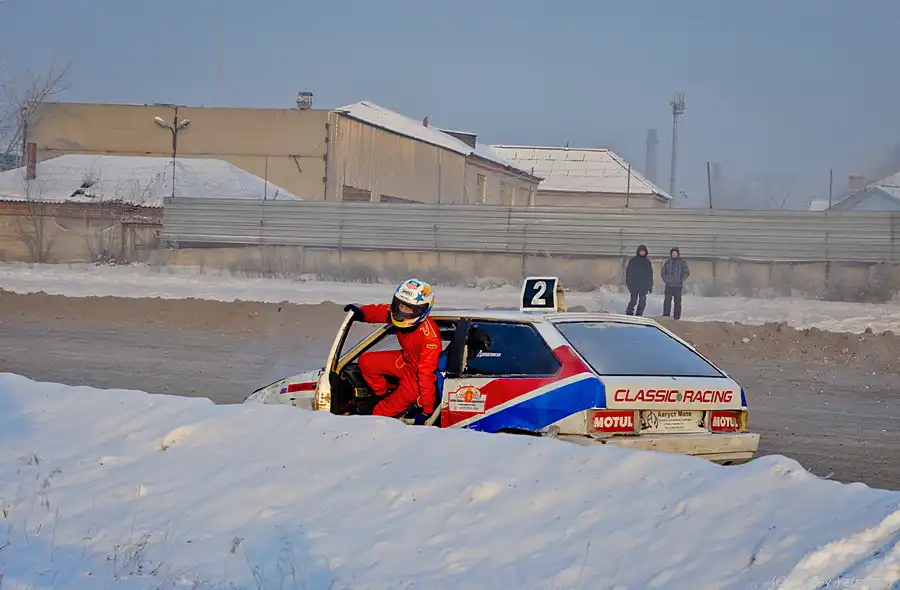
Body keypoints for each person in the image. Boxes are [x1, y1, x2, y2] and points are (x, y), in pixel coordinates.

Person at [343, 278, 441, 421]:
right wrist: (361, 313)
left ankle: (390, 411)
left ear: (420, 310)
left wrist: (427, 410)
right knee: (366, 362)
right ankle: (381, 395)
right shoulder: (397, 314)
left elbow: (426, 376)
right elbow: (380, 311)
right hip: (405, 360)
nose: (402, 311)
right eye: (401, 305)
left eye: (408, 308)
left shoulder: (430, 339)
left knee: (379, 412)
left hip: (416, 377)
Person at [660, 247, 690, 320]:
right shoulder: (667, 262)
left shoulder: (682, 262)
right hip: (669, 286)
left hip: (678, 286)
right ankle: (666, 316)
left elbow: (687, 272)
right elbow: (663, 272)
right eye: (672, 253)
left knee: (677, 302)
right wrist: (666, 280)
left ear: (678, 254)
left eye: (675, 253)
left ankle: (676, 317)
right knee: (667, 301)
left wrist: (680, 280)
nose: (674, 254)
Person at [624, 244, 653, 316]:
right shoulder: (633, 261)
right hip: (634, 284)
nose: (642, 253)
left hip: (643, 285)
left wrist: (650, 285)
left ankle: (639, 313)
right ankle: (629, 312)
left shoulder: (647, 262)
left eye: (643, 251)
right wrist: (629, 284)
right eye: (641, 251)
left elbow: (650, 274)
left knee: (642, 301)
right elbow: (629, 273)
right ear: (638, 252)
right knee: (633, 300)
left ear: (646, 252)